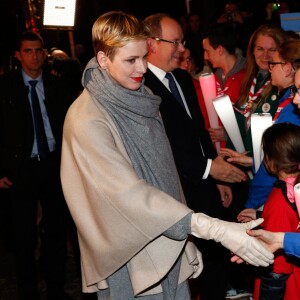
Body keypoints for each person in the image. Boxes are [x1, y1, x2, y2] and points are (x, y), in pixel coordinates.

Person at [60, 11, 274, 300]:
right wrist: (214, 228)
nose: (142, 69)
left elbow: (167, 174)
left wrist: (189, 236)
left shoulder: (140, 95)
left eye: (143, 58)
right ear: (102, 60)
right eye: (130, 60)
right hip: (131, 257)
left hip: (170, 239)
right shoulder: (87, 119)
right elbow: (127, 195)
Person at [143, 13, 248, 300]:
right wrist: (209, 169)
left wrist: (218, 177)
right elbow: (159, 147)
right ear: (151, 43)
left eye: (182, 41)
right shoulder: (139, 87)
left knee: (215, 260)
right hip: (171, 191)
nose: (182, 48)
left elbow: (198, 130)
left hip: (204, 185)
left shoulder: (182, 78)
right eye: (175, 42)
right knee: (180, 269)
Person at [0, 31, 73, 300]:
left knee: (55, 232)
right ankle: (28, 292)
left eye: (38, 51)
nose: (34, 56)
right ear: (18, 56)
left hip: (53, 165)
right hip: (20, 169)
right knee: (24, 237)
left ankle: (56, 290)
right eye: (28, 51)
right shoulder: (5, 87)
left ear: (44, 53)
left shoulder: (57, 87)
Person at [241, 39, 300, 211]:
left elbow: (284, 162)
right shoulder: (286, 102)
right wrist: (251, 161)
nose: (269, 68)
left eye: (273, 64)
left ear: (287, 68)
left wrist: (252, 205)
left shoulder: (292, 109)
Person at [202, 22, 246, 147]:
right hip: (219, 154)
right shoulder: (211, 80)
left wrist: (227, 134)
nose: (205, 56)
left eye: (207, 51)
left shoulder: (248, 77)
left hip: (242, 155)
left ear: (220, 50)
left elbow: (252, 119)